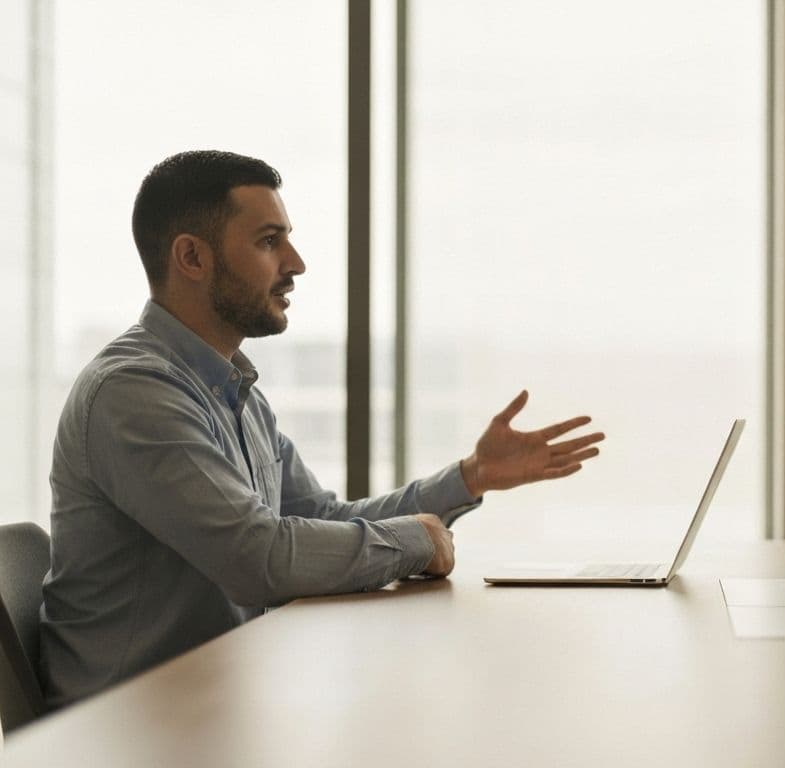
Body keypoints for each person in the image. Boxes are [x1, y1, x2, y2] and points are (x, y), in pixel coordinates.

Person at [39, 150, 605, 708]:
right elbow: (257, 557)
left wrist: (470, 477)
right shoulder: (134, 392)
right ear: (192, 257)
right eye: (268, 241)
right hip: (124, 736)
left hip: (214, 707)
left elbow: (324, 522)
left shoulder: (234, 392)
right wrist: (416, 539)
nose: (296, 262)